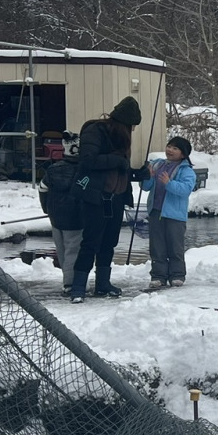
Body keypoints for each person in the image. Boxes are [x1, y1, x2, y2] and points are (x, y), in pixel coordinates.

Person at [68, 96, 145, 302]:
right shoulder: (95, 130)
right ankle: (78, 287)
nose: (132, 130)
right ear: (123, 122)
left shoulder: (121, 137)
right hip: (96, 196)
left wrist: (138, 173)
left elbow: (121, 170)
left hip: (117, 197)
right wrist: (118, 160)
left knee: (109, 242)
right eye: (131, 126)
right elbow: (88, 160)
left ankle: (103, 283)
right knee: (91, 241)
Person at [140, 136, 197, 289]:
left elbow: (185, 190)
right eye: (169, 146)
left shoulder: (187, 171)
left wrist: (169, 183)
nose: (170, 150)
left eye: (175, 148)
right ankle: (158, 276)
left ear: (183, 154)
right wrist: (148, 177)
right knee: (157, 246)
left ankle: (177, 275)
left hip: (175, 215)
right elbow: (145, 187)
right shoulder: (157, 165)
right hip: (155, 211)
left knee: (175, 246)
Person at [37, 149, 83, 293]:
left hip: (56, 216)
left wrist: (47, 209)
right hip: (76, 217)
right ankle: (69, 283)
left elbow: (42, 188)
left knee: (62, 250)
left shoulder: (53, 169)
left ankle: (67, 278)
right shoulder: (83, 170)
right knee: (73, 251)